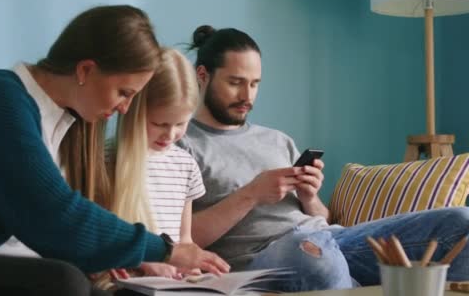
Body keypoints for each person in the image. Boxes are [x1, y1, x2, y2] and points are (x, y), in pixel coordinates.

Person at [0, 6, 229, 296]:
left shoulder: (66, 120)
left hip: (27, 266)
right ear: (85, 70)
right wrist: (164, 250)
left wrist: (127, 259)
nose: (126, 108)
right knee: (63, 283)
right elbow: (55, 217)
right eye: (123, 92)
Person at [177, 25, 469, 292]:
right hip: (272, 255)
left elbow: (321, 219)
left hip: (332, 240)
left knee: (461, 222)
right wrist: (251, 194)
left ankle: (350, 281)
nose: (247, 95)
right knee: (309, 253)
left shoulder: (277, 140)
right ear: (202, 75)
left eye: (254, 84)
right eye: (235, 83)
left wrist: (309, 195)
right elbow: (185, 240)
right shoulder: (184, 144)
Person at [92, 48, 205, 288]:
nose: (171, 134)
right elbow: (100, 235)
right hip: (122, 279)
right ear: (134, 113)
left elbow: (184, 240)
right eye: (160, 123)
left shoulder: (186, 166)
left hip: (171, 281)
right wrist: (146, 262)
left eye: (181, 123)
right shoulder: (105, 160)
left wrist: (193, 266)